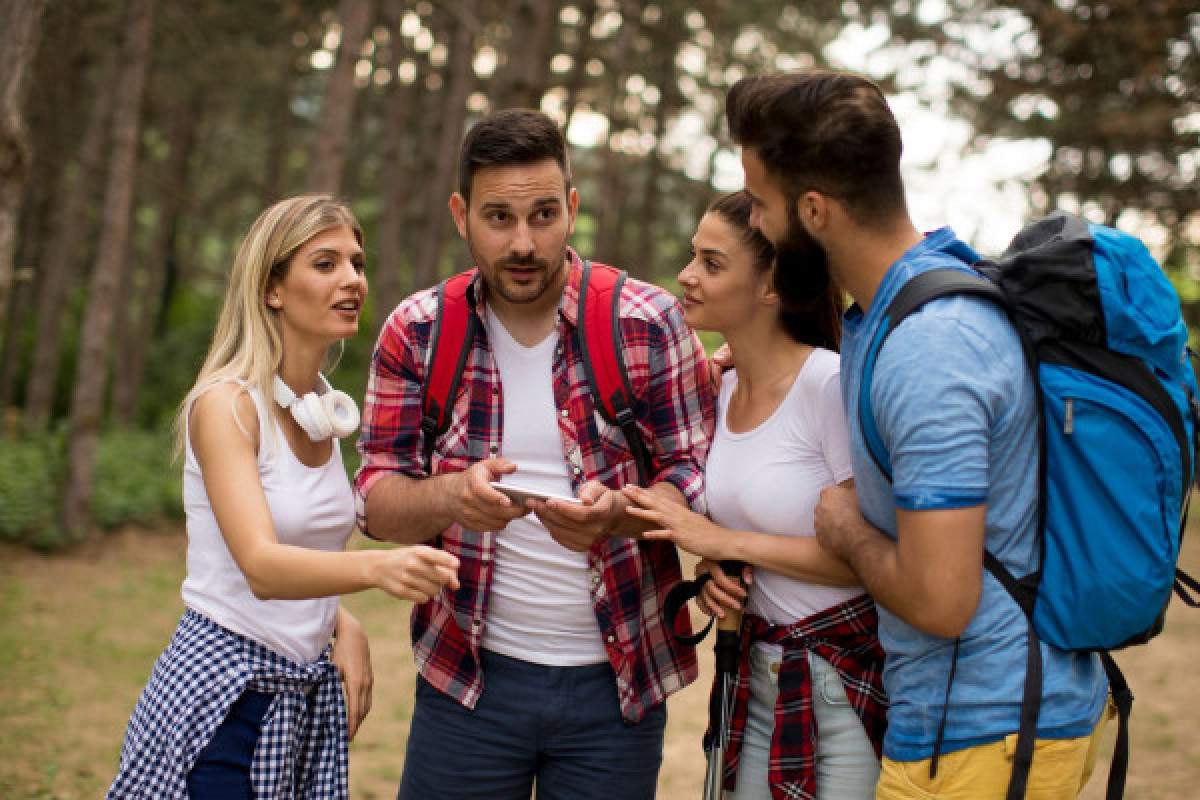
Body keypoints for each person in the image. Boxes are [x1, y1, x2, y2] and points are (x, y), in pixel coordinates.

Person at [724, 70, 1111, 799]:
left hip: (983, 736)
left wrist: (844, 530)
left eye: (761, 203)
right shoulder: (896, 304)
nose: (758, 223)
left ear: (815, 210)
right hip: (962, 723)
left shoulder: (932, 347)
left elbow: (940, 600)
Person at [353, 108, 715, 799]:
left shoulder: (647, 321)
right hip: (467, 684)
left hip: (619, 689)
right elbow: (376, 503)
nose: (523, 242)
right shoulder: (419, 331)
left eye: (544, 215)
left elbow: (696, 482)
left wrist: (620, 514)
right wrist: (451, 496)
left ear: (573, 208)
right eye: (498, 218)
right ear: (461, 215)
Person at [107, 195, 461, 800]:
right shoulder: (226, 406)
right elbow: (261, 567)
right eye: (324, 264)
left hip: (297, 699)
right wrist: (379, 567)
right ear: (273, 288)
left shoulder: (320, 409)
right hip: (222, 698)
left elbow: (296, 551)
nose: (351, 279)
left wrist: (338, 621)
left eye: (356, 261)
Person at [623, 190, 886, 800]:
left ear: (771, 287)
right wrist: (717, 565)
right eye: (693, 256)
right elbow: (742, 529)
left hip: (837, 686)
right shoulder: (717, 391)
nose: (687, 276)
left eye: (712, 264)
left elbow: (870, 559)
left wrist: (720, 540)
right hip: (754, 671)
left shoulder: (829, 383)